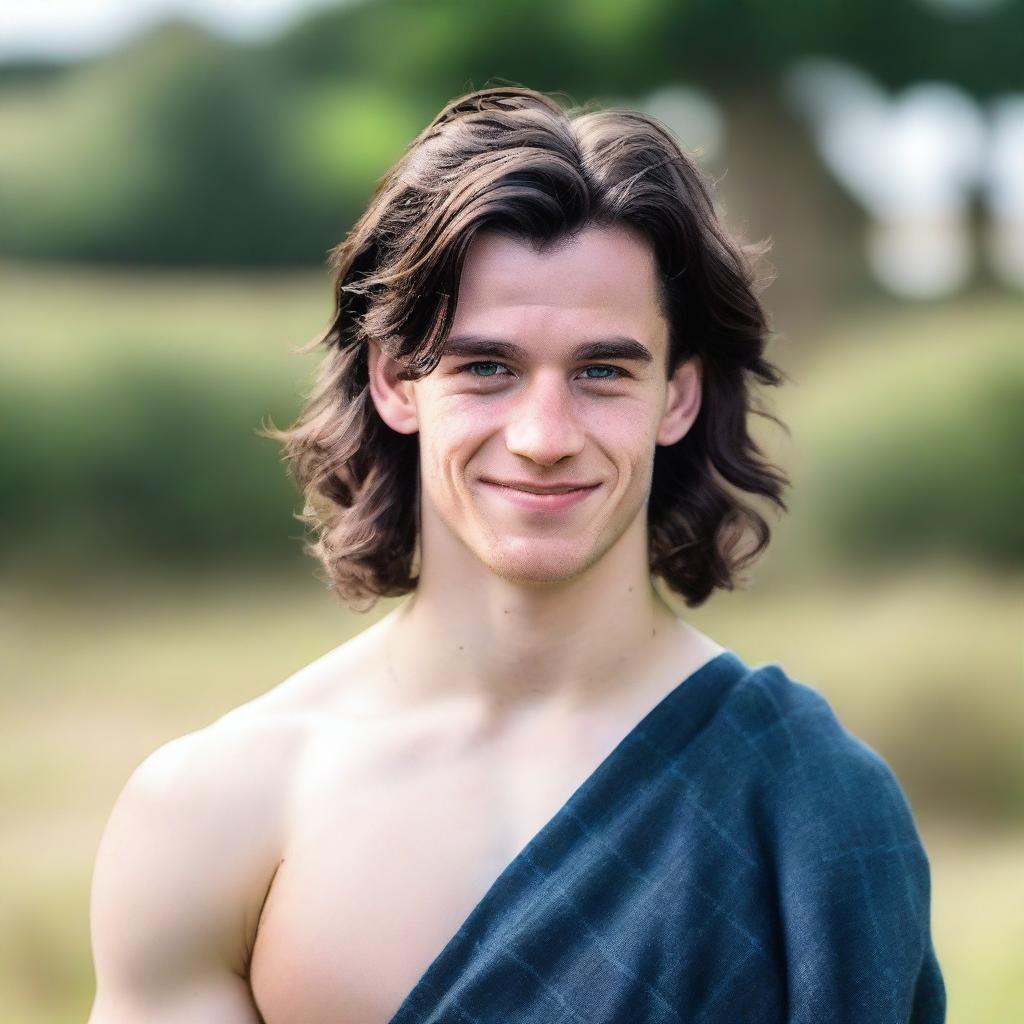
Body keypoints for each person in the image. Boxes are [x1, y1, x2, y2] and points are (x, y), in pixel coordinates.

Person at [87, 86, 945, 1023]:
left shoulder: (812, 804)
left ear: (680, 398)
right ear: (394, 382)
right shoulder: (218, 811)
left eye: (602, 371)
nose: (544, 436)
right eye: (486, 367)